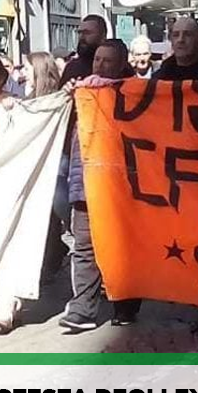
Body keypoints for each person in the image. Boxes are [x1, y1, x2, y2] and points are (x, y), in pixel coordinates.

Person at [60, 39, 139, 332]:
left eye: (108, 61)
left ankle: (126, 304)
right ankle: (83, 310)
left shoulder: (134, 93)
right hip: (86, 179)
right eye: (97, 60)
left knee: (124, 247)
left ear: (121, 64)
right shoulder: (82, 91)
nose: (100, 66)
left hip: (122, 183)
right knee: (84, 246)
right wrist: (68, 97)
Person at [60, 15, 110, 85]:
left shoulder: (117, 66)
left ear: (103, 36)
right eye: (79, 32)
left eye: (87, 33)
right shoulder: (73, 67)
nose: (81, 37)